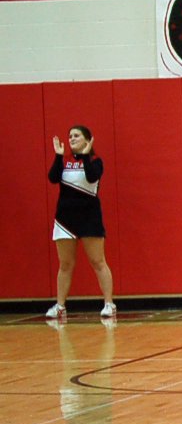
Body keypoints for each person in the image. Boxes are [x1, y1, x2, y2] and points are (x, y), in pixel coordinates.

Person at [46, 126, 116, 319]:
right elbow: (52, 178)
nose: (72, 139)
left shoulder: (95, 161)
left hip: (89, 218)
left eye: (76, 136)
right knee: (65, 264)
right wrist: (58, 156)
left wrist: (85, 155)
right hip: (65, 219)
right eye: (70, 136)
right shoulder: (64, 160)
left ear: (87, 140)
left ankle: (109, 304)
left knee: (98, 261)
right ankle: (60, 306)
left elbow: (91, 177)